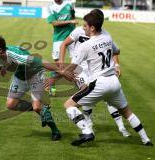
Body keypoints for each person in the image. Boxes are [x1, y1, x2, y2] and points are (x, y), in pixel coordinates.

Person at [57, 12, 153, 146]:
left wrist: (60, 72)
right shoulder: (108, 37)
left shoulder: (86, 45)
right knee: (127, 111)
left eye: (86, 26)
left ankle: (87, 131)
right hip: (114, 82)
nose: (83, 28)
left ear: (92, 28)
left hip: (99, 83)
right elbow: (116, 51)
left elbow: (73, 66)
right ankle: (146, 139)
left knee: (68, 105)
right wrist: (116, 64)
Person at [0, 35, 61, 141]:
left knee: (36, 108)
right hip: (20, 77)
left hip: (35, 75)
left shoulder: (15, 56)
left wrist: (60, 71)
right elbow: (0, 63)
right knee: (11, 105)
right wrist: (2, 69)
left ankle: (55, 131)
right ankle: (43, 109)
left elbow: (39, 61)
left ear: (0, 50)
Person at [47, 0, 77, 96]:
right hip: (58, 38)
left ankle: (81, 87)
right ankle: (52, 84)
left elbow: (73, 15)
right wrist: (70, 21)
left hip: (72, 37)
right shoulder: (50, 7)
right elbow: (54, 23)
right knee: (58, 66)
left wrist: (74, 26)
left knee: (76, 63)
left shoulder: (70, 4)